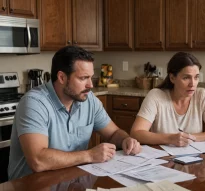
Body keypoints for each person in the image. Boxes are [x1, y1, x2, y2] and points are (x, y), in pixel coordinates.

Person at [8, 46, 142, 180]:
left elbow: (113, 133)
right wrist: (90, 155)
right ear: (61, 77)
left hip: (70, 182)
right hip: (30, 188)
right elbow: (38, 161)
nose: (90, 85)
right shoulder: (34, 103)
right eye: (83, 78)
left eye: (91, 77)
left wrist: (126, 140)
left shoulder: (90, 101)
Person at [130, 52, 205, 147]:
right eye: (186, 78)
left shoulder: (202, 95)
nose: (192, 84)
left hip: (194, 158)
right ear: (172, 78)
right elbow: (136, 133)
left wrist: (190, 138)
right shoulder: (156, 96)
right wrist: (170, 139)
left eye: (196, 77)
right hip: (162, 159)